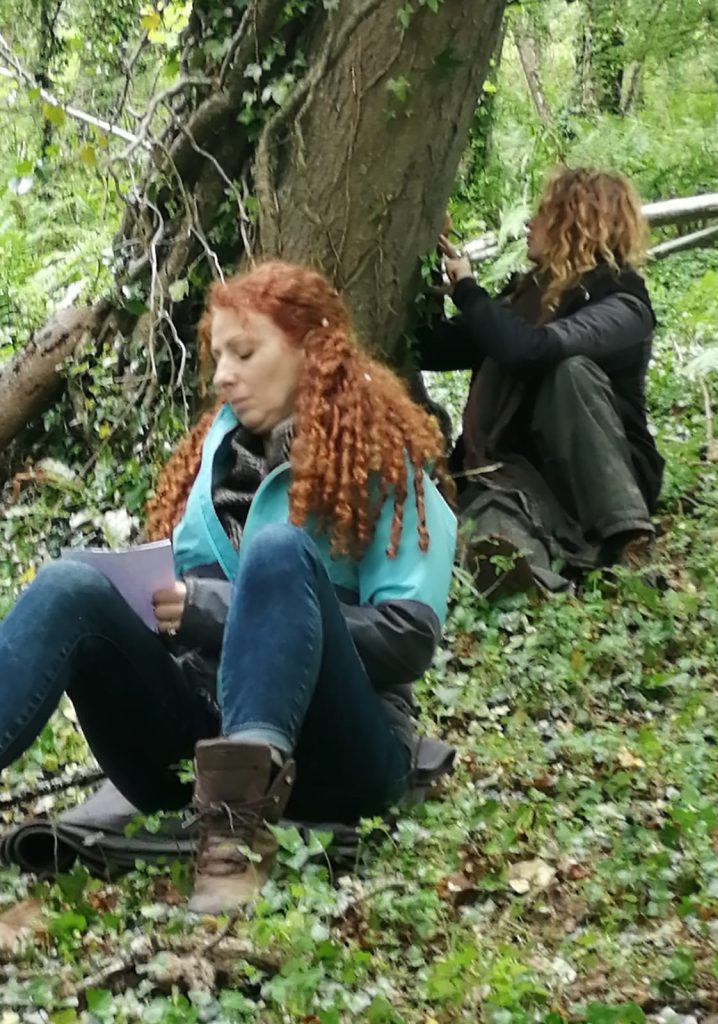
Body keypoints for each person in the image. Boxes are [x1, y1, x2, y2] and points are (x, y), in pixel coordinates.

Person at [0, 262, 457, 913]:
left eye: (244, 353)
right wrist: (149, 603)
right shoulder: (210, 459)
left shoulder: (384, 462)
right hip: (193, 748)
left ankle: (235, 844)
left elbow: (407, 642)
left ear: (311, 350)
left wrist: (210, 609)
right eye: (218, 357)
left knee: (278, 550)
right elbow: (179, 610)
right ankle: (218, 805)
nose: (222, 377)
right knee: (69, 585)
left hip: (339, 758)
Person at [417, 167, 664, 591]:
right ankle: (537, 582)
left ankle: (628, 540)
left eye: (544, 214)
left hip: (599, 483)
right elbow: (435, 349)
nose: (530, 223)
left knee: (571, 371)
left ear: (576, 225)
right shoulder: (526, 297)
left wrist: (470, 291)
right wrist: (434, 275)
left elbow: (529, 350)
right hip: (522, 477)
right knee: (495, 537)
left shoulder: (624, 305)